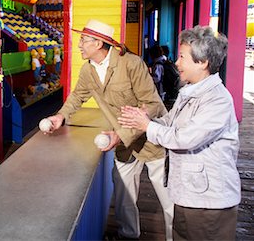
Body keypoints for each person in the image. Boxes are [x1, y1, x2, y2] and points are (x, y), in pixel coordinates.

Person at [44, 19, 174, 240]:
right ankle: (128, 235)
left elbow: (151, 105)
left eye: (84, 40)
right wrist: (60, 116)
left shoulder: (131, 64)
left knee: (168, 197)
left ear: (98, 43)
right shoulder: (88, 70)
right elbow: (77, 97)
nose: (79, 45)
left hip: (152, 139)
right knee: (124, 195)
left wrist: (119, 134)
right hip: (123, 143)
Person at [118, 25, 241, 240]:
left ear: (202, 63)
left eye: (182, 57)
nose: (176, 63)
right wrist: (147, 120)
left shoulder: (217, 100)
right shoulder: (189, 92)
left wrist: (147, 126)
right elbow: (170, 122)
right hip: (187, 194)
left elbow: (185, 138)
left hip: (209, 203)